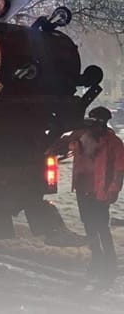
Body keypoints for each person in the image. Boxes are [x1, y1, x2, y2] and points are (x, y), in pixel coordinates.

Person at [48, 106, 124, 285]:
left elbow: (119, 170)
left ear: (103, 123)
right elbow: (60, 147)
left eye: (96, 122)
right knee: (89, 227)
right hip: (83, 190)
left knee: (102, 228)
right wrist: (71, 135)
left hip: (101, 192)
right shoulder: (81, 137)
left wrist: (113, 190)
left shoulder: (114, 143)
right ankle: (96, 261)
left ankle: (110, 265)